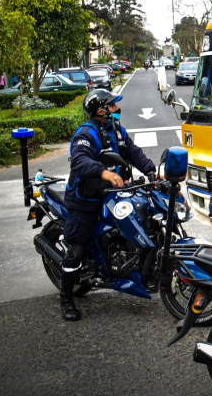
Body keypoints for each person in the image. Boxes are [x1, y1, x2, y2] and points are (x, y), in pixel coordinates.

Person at [60, 90, 156, 321]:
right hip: (85, 201)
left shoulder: (117, 131)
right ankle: (66, 298)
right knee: (76, 252)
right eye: (113, 106)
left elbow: (135, 154)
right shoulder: (86, 134)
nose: (117, 109)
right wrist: (104, 172)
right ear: (101, 111)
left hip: (112, 196)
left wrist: (153, 173)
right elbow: (80, 161)